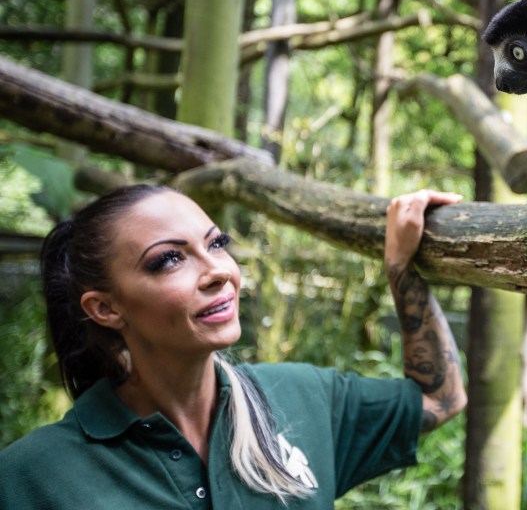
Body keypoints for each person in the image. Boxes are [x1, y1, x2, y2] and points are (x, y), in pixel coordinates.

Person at [0, 184, 467, 509]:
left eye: (217, 243)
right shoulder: (29, 479)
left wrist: (401, 269)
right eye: (169, 260)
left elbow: (439, 397)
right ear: (105, 308)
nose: (219, 271)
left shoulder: (303, 397)